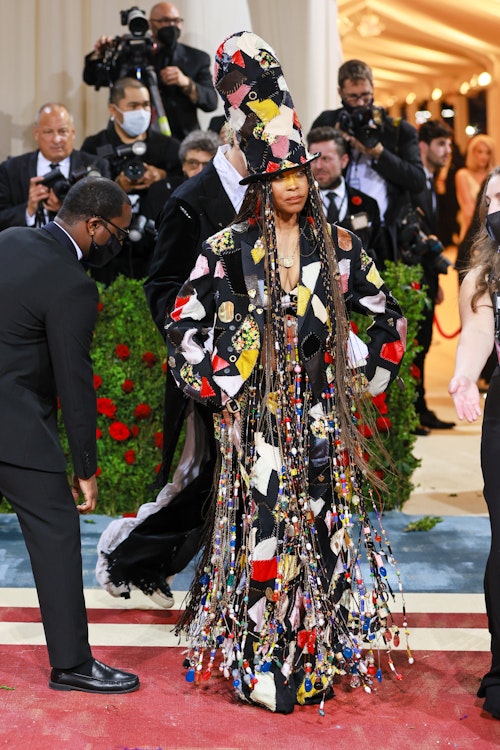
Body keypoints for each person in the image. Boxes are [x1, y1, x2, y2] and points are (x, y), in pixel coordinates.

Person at [165, 31, 408, 714]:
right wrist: (223, 381)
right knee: (264, 531)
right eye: (280, 177)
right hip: (259, 421)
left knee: (326, 532)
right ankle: (261, 658)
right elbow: (182, 324)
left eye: (302, 174)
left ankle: (315, 654)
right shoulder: (227, 247)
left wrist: (369, 370)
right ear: (263, 183)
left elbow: (386, 319)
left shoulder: (342, 248)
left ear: (312, 176)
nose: (294, 186)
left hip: (323, 417)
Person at [95, 133, 249, 606]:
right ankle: (128, 554)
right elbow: (162, 283)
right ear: (232, 135)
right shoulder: (189, 200)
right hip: (205, 365)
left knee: (223, 476)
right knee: (213, 475)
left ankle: (145, 561)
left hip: (256, 366)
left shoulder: (268, 188)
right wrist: (192, 340)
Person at [0, 175, 139, 694]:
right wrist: (86, 468)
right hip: (14, 427)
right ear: (95, 225)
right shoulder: (73, 283)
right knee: (56, 533)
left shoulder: (10, 239)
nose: (117, 246)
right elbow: (74, 386)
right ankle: (73, 664)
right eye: (117, 236)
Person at [449, 165, 500, 721]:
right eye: (491, 199)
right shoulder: (481, 277)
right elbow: (479, 334)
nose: (497, 204)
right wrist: (465, 374)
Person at [311, 59, 425, 264]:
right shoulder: (329, 122)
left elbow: (417, 180)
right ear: (340, 93)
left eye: (365, 95)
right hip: (341, 229)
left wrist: (378, 152)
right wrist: (339, 140)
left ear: (373, 88)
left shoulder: (398, 131)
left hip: (388, 234)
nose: (361, 103)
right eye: (353, 97)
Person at [81, 77, 182, 283]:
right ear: (113, 109)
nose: (141, 111)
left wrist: (162, 177)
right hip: (107, 250)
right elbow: (83, 194)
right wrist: (117, 187)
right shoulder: (94, 146)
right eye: (133, 106)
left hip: (155, 249)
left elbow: (187, 183)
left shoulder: (169, 147)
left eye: (145, 105)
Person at [83, 2, 218, 141]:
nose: (171, 25)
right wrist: (100, 54)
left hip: (181, 139)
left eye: (176, 21)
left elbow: (211, 103)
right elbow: (92, 78)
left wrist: (186, 83)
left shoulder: (197, 58)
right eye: (165, 21)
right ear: (150, 24)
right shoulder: (130, 55)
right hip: (134, 138)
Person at [0, 103, 109, 232]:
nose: (56, 139)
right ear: (36, 133)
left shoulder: (96, 166)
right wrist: (29, 210)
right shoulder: (11, 169)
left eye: (62, 131)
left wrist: (66, 212)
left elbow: (107, 218)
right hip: (26, 248)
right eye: (48, 132)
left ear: (72, 133)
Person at [412, 119, 456, 433]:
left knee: (425, 342)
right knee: (417, 343)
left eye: (450, 145)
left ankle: (421, 407)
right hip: (414, 276)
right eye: (441, 144)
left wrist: (437, 282)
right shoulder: (416, 184)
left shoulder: (432, 181)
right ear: (423, 147)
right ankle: (415, 409)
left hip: (428, 277)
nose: (448, 151)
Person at [306, 126, 380, 261]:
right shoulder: (300, 204)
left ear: (344, 160)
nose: (318, 166)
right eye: (313, 159)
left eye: (326, 159)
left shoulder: (368, 204)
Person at [455, 134, 495, 243]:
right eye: (480, 152)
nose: (484, 156)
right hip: (471, 230)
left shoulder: (494, 176)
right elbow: (469, 210)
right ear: (472, 153)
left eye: (488, 152)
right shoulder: (462, 175)